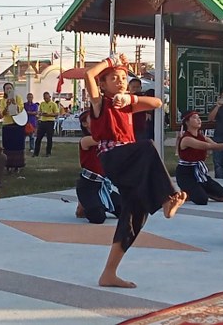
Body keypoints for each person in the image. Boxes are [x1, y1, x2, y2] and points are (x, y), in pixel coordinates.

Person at [85, 54, 187, 288]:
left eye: (123, 77)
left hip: (129, 161)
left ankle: (109, 273)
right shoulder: (100, 103)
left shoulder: (127, 103)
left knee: (135, 214)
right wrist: (110, 61)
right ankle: (168, 198)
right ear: (103, 85)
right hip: (113, 156)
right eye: (113, 78)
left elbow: (158, 103)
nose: (120, 81)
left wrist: (130, 98)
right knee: (147, 147)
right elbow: (89, 74)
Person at [176, 110, 223, 204]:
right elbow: (208, 146)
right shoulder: (186, 139)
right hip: (185, 173)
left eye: (199, 118)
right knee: (202, 200)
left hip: (200, 172)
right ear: (187, 122)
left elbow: (216, 146)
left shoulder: (203, 137)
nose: (199, 120)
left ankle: (197, 189)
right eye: (195, 118)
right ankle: (188, 190)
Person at [75, 109, 121, 224]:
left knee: (125, 209)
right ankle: (87, 203)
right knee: (98, 217)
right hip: (88, 185)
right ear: (85, 123)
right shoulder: (85, 141)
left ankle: (97, 203)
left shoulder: (106, 142)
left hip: (103, 185)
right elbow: (103, 138)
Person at [0, 82, 25, 171]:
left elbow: (21, 109)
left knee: (17, 146)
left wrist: (15, 104)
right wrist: (7, 105)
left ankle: (17, 166)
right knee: (8, 146)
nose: (9, 90)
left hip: (17, 124)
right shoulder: (3, 100)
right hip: (7, 124)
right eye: (7, 88)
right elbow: (2, 113)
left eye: (10, 88)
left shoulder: (18, 98)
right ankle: (8, 165)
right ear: (4, 91)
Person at [34, 91, 59, 157]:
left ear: (50, 97)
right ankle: (36, 153)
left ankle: (48, 153)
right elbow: (39, 112)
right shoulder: (42, 104)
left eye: (47, 98)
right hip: (43, 121)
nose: (46, 99)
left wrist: (49, 114)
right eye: (45, 98)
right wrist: (40, 114)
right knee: (38, 138)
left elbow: (56, 113)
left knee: (49, 138)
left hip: (50, 122)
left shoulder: (53, 104)